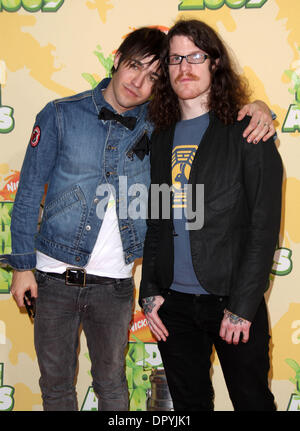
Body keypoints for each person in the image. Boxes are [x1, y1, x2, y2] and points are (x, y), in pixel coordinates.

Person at [0, 26, 274, 411]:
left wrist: (261, 107)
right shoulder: (69, 115)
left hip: (120, 285)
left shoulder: (165, 124)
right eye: (134, 67)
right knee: (58, 387)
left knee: (113, 386)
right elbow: (27, 194)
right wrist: (22, 267)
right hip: (60, 277)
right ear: (116, 61)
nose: (139, 82)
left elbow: (260, 222)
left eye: (154, 76)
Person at [139, 19, 283, 411]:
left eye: (196, 57)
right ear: (166, 69)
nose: (185, 67)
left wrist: (243, 306)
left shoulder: (248, 130)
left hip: (232, 302)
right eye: (175, 59)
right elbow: (156, 218)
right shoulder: (161, 135)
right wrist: (149, 289)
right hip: (174, 306)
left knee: (253, 403)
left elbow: (264, 228)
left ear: (214, 62)